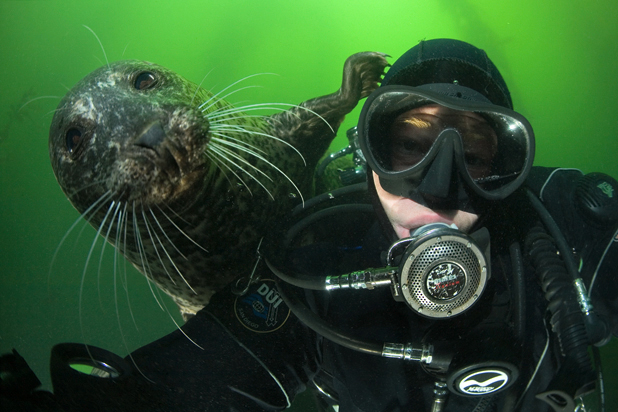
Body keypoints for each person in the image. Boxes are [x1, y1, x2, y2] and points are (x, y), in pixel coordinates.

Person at [2, 39, 617, 412]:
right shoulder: (314, 280)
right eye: (405, 145)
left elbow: (288, 138)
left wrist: (345, 95)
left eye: (478, 156)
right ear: (368, 152)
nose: (438, 183)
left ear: (512, 166)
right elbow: (207, 373)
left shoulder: (571, 229)